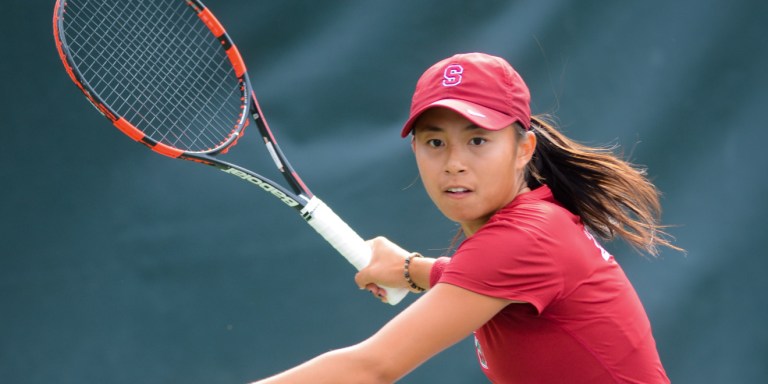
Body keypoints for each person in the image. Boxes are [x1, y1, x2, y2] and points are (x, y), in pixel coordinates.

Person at [252, 52, 681, 383]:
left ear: (523, 150)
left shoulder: (524, 239)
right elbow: (486, 282)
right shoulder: (532, 224)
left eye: (477, 140)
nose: (454, 163)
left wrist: (411, 270)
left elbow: (372, 368)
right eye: (434, 143)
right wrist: (408, 269)